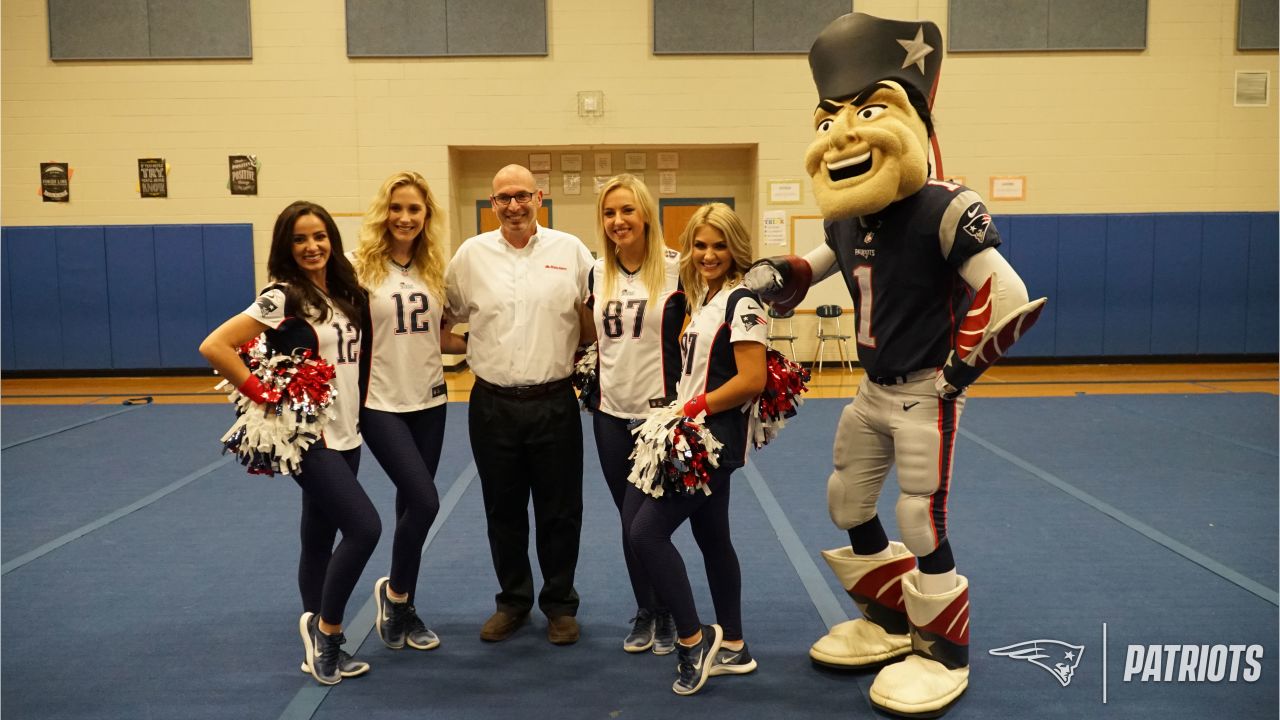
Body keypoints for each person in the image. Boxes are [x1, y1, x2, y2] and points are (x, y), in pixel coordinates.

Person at [746, 13, 1045, 717]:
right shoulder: (848, 215)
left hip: (922, 389)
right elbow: (807, 271)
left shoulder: (945, 207)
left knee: (920, 518)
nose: (844, 133)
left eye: (870, 110)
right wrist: (756, 281)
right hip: (871, 386)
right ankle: (885, 618)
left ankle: (942, 649)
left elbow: (1003, 292)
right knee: (847, 501)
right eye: (831, 118)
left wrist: (955, 376)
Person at [199, 200, 378, 686]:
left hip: (348, 433)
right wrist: (265, 393)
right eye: (300, 239)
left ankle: (311, 626)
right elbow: (215, 345)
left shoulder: (347, 293)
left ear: (332, 240)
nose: (312, 246)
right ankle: (329, 634)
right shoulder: (281, 297)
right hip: (308, 438)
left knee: (319, 534)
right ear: (286, 246)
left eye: (319, 236)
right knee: (365, 529)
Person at [444, 164, 594, 645]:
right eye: (503, 198)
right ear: (492, 204)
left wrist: (579, 356)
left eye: (522, 196)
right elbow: (443, 319)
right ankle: (512, 601)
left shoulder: (570, 251)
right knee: (502, 510)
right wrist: (478, 349)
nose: (513, 205)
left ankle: (559, 605)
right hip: (492, 405)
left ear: (539, 197)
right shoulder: (470, 256)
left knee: (560, 510)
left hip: (554, 402)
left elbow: (593, 319)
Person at [629, 203, 767, 696]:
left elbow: (753, 379)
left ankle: (694, 638)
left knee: (645, 535)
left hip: (711, 440)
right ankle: (734, 644)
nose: (709, 254)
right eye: (701, 245)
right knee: (713, 539)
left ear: (736, 249)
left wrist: (695, 407)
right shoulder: (704, 297)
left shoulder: (742, 301)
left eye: (720, 245)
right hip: (692, 432)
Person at [350, 171, 467, 654]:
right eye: (396, 208)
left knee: (408, 506)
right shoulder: (357, 268)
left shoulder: (435, 267)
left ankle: (405, 603)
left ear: (426, 215)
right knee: (425, 501)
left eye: (414, 209)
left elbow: (435, 333)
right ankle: (395, 594)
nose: (404, 217)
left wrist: (490, 343)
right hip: (380, 402)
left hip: (431, 399)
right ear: (384, 212)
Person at [582, 174, 685, 655]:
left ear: (645, 214)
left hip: (659, 418)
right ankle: (648, 610)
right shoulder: (594, 273)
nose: (618, 221)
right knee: (626, 522)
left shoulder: (677, 269)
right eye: (609, 213)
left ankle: (666, 610)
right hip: (608, 413)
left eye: (626, 211)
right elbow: (589, 335)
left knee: (640, 524)